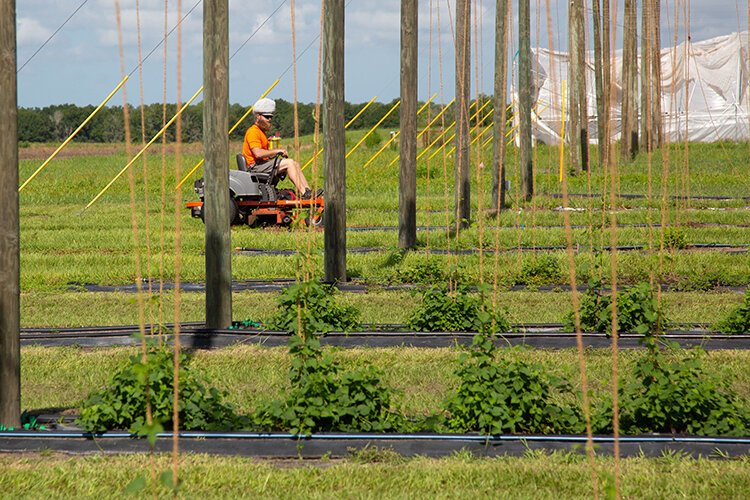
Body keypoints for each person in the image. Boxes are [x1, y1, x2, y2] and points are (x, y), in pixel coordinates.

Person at [242, 97, 313, 199]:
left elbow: (263, 154)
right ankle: (303, 193)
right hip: (255, 166)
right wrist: (277, 151)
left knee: (294, 163)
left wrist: (272, 151)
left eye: (271, 117)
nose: (270, 120)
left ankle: (308, 191)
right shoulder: (253, 132)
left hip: (261, 164)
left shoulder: (261, 133)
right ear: (258, 116)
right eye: (267, 117)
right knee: (289, 163)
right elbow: (258, 153)